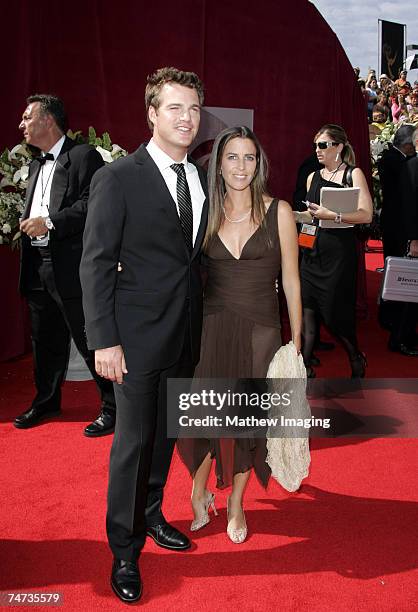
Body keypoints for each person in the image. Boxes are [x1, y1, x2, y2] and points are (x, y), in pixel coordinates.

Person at [80, 67, 207, 604]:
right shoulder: (119, 176)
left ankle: (152, 514)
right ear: (151, 114)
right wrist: (104, 341)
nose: (186, 118)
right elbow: (95, 263)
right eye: (175, 108)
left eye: (194, 109)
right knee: (131, 445)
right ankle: (124, 549)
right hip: (131, 342)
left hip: (184, 335)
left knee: (165, 436)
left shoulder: (199, 176)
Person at [177, 126, 302, 544]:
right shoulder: (204, 210)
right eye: (232, 157)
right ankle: (199, 491)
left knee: (246, 423)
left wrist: (296, 341)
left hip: (261, 330)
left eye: (249, 157)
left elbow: (291, 279)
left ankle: (236, 505)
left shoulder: (278, 211)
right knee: (202, 416)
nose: (241, 166)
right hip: (211, 326)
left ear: (259, 164)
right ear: (219, 163)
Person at [14, 94, 116, 435]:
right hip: (38, 265)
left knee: (91, 340)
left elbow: (95, 205)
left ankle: (113, 408)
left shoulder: (84, 156)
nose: (22, 124)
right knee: (44, 341)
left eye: (28, 117)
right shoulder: (33, 164)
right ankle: (46, 401)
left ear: (48, 120)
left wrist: (51, 222)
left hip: (72, 267)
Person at [296, 124, 373, 378]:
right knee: (307, 311)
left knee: (334, 314)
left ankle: (355, 354)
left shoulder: (353, 174)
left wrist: (335, 215)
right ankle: (304, 367)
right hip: (312, 252)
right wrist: (295, 215)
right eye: (315, 145)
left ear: (338, 147)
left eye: (323, 145)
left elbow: (366, 214)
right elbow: (312, 215)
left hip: (339, 255)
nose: (317, 150)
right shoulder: (312, 176)